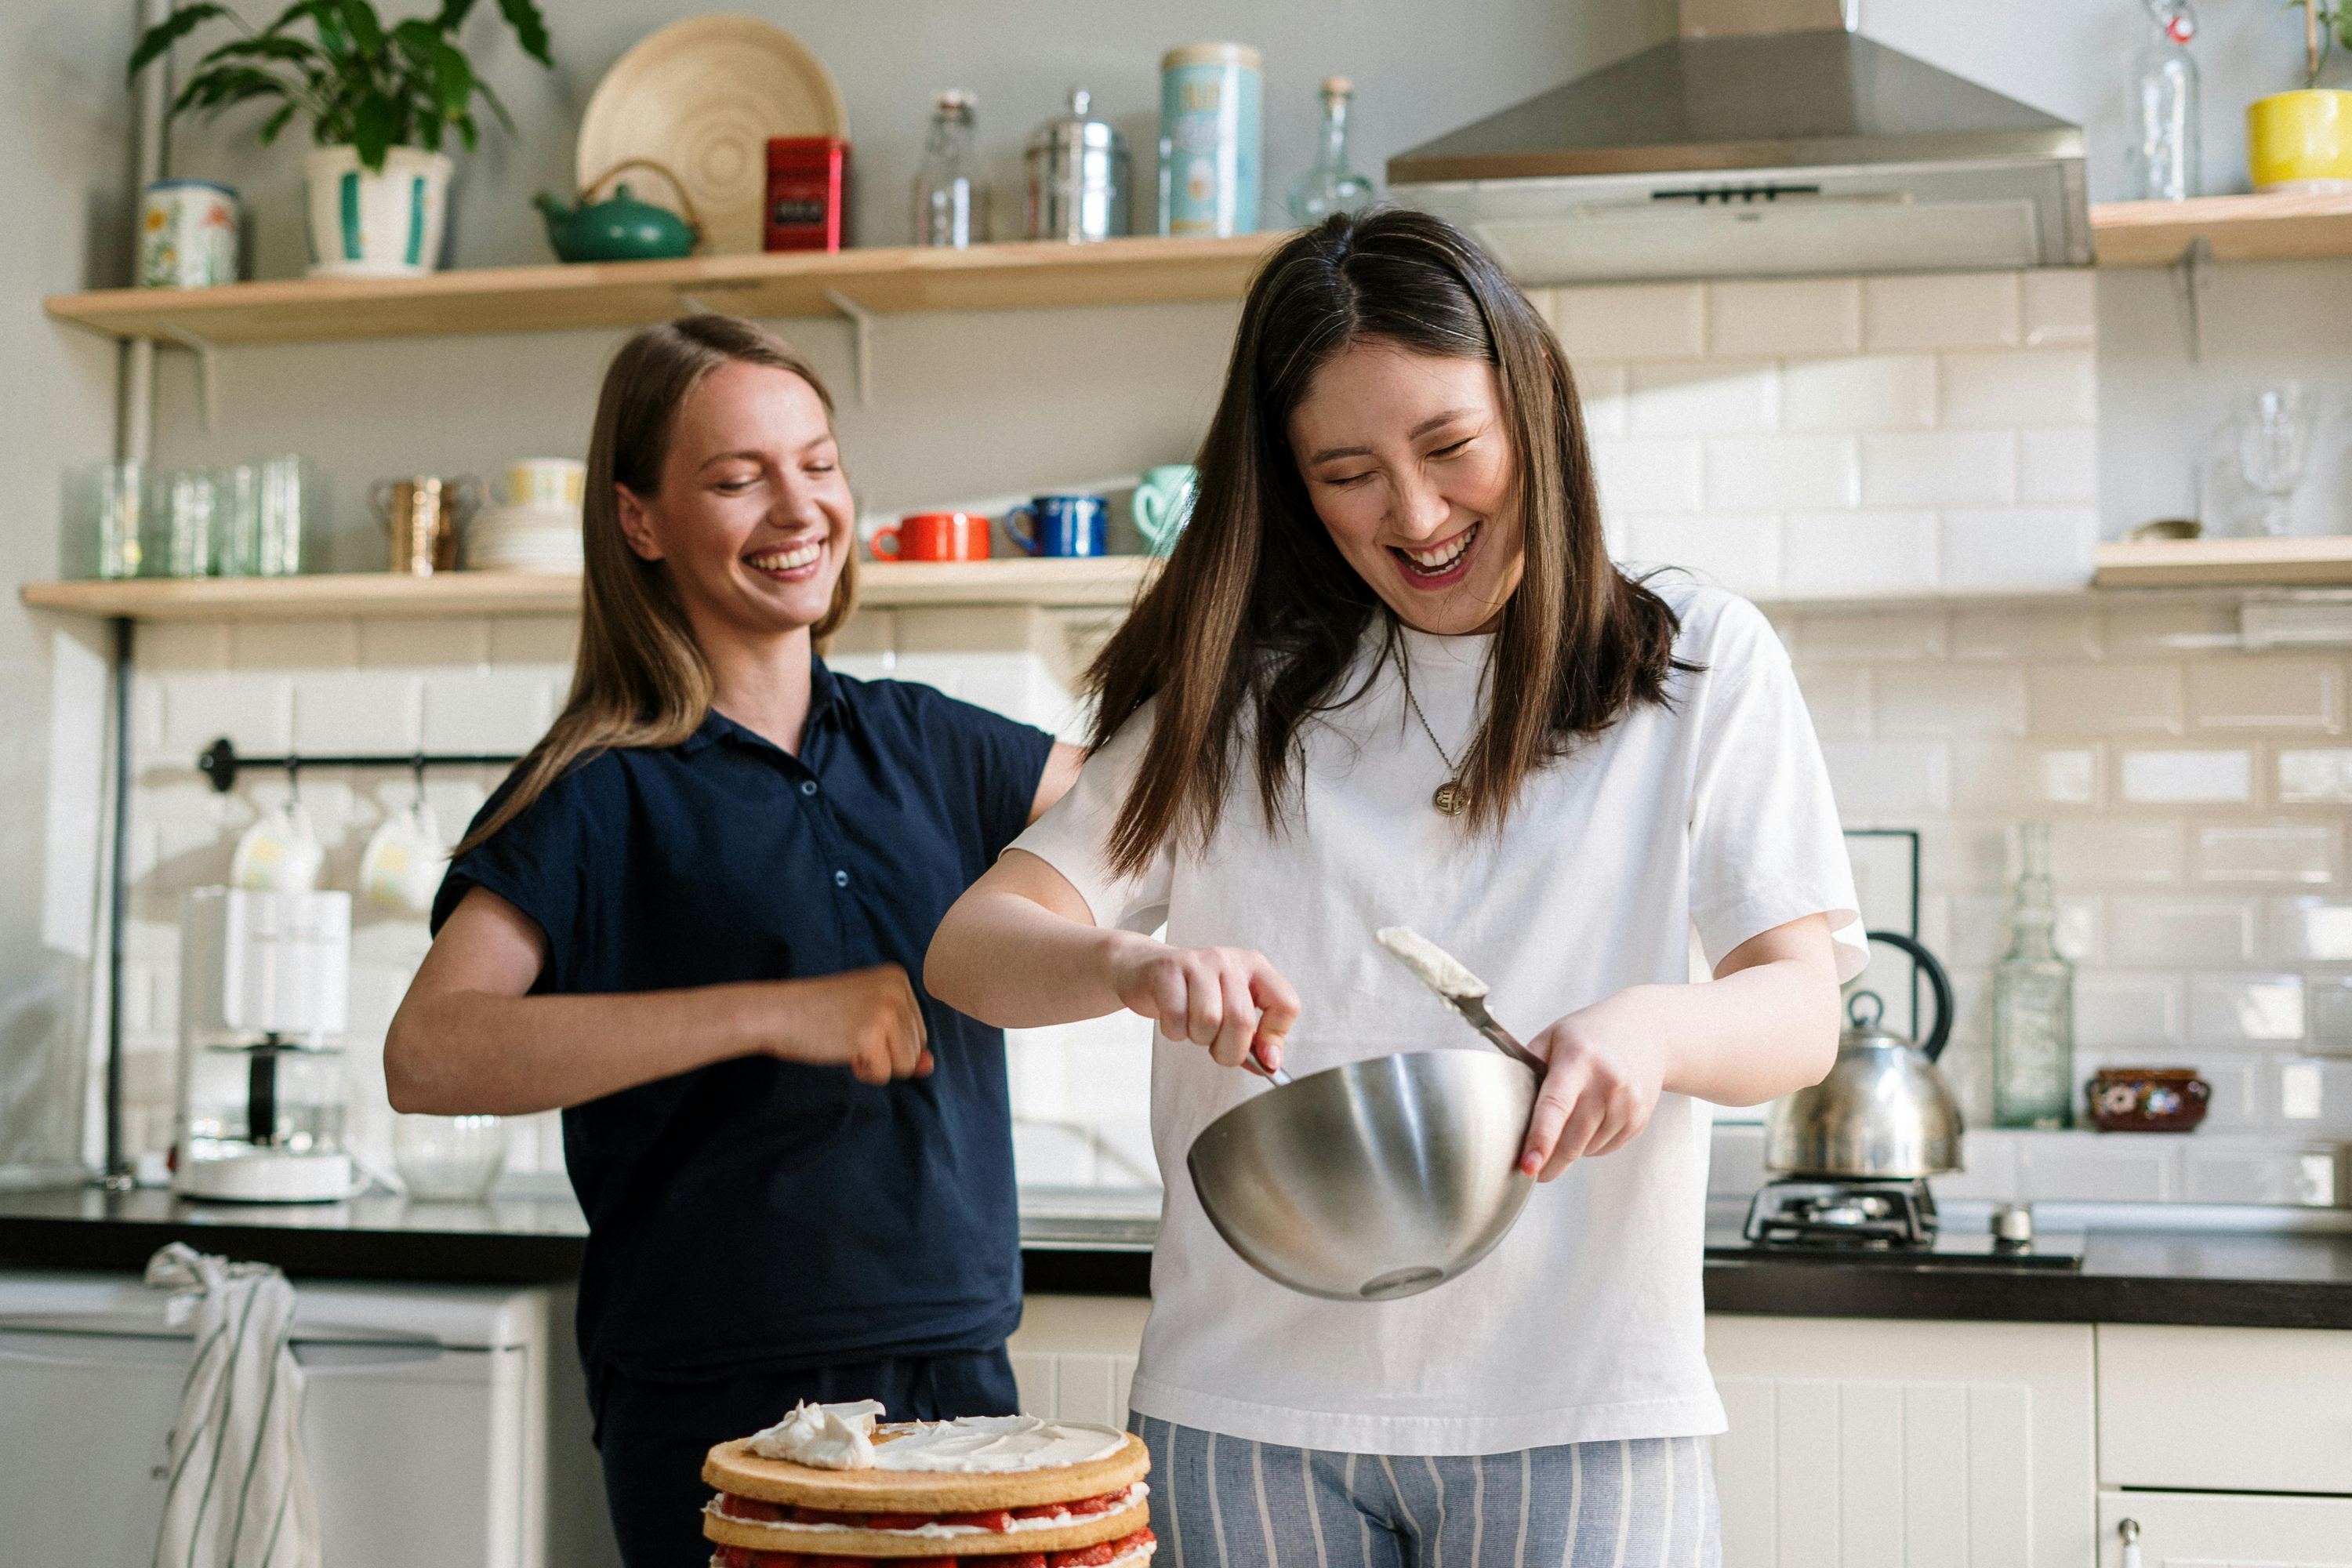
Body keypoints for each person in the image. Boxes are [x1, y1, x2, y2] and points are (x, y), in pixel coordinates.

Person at [924, 209, 1863, 1566]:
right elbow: (974, 948)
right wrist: (1125, 968)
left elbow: (1800, 1009)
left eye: (1448, 448)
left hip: (1583, 1406)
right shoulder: (1239, 698)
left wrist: (1656, 1028)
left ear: (1530, 410)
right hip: (1247, 1410)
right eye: (1349, 473)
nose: (1416, 518)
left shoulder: (1694, 660)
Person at [385, 315, 1081, 1568]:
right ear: (640, 519)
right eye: (736, 476)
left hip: (957, 1371)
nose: (797, 506)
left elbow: (1168, 812)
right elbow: (430, 1054)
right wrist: (774, 1009)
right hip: (718, 1404)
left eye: (817, 464)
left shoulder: (931, 743)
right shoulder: (592, 791)